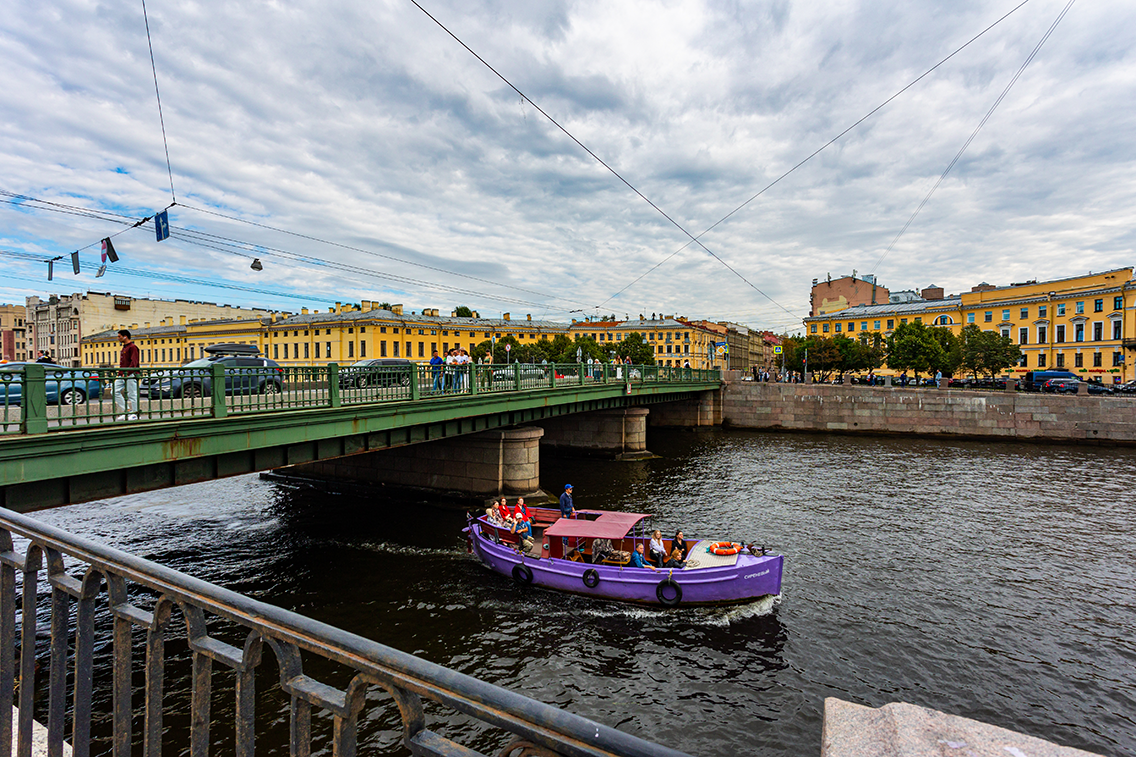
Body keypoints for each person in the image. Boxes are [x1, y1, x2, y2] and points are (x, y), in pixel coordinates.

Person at [114, 329, 140, 421]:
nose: (118, 338)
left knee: (132, 394)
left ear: (125, 337)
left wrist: (128, 373)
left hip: (130, 374)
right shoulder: (124, 347)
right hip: (122, 374)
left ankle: (135, 413)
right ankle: (127, 411)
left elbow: (134, 362)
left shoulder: (132, 347)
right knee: (114, 391)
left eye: (119, 336)